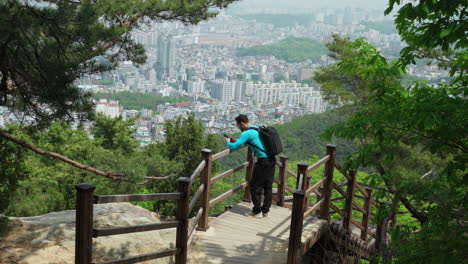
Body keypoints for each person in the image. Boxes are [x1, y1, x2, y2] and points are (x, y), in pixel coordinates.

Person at [225, 114, 276, 218]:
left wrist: (228, 142)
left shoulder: (246, 133)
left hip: (262, 161)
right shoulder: (257, 128)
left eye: (238, 126)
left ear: (242, 124)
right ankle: (265, 211)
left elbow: (234, 147)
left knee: (255, 186)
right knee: (268, 186)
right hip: (271, 159)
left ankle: (256, 211)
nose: (238, 128)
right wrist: (238, 140)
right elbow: (254, 142)